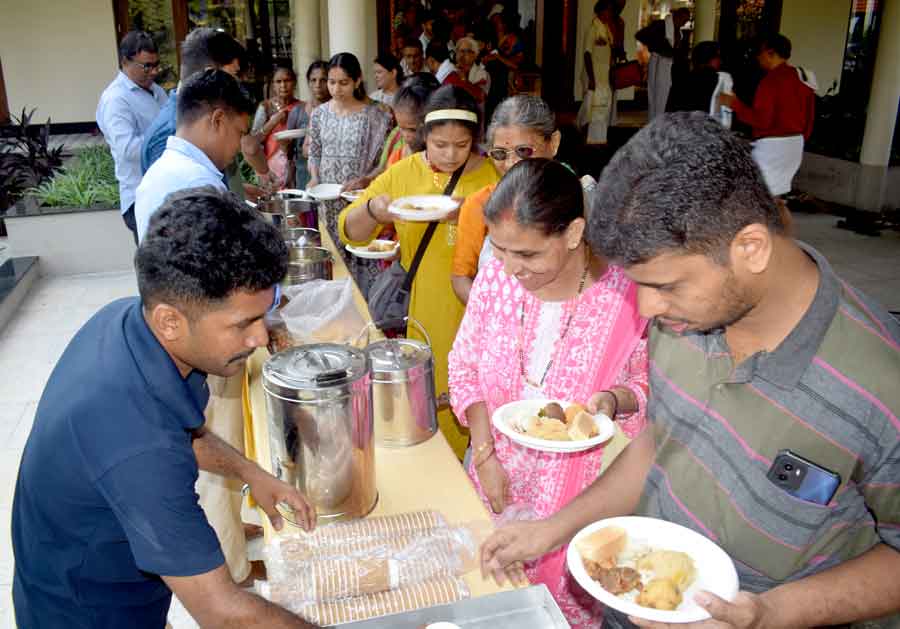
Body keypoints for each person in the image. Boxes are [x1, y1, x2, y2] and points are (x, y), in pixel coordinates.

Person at [478, 112, 900, 629]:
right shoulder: (679, 320)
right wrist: (554, 528)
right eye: (638, 284)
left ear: (750, 248)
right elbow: (662, 439)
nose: (647, 309)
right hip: (636, 602)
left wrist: (769, 613)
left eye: (666, 285)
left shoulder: (882, 383)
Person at [12, 186, 319, 628]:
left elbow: (182, 431)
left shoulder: (128, 321)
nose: (259, 338)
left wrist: (252, 474)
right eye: (243, 324)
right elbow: (224, 613)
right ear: (170, 321)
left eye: (262, 316)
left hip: (92, 572)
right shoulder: (137, 443)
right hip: (85, 614)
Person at [448, 158, 648, 628]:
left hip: (580, 503)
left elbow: (648, 387)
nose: (512, 268)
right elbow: (464, 366)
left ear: (574, 233)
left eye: (528, 254)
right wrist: (485, 454)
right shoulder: (495, 279)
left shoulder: (627, 296)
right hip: (493, 482)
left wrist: (613, 400)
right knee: (491, 606)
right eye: (500, 249)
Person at [339, 86, 500, 460]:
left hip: (480, 311)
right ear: (424, 135)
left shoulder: (493, 175)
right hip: (426, 310)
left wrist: (472, 212)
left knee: (478, 400)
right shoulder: (405, 173)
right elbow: (350, 230)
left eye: (461, 145)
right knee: (429, 404)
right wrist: (374, 212)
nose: (450, 154)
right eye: (440, 144)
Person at [451, 95, 561, 303]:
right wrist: (490, 313)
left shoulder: (576, 197)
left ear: (553, 143)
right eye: (500, 154)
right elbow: (460, 277)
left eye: (524, 151)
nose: (511, 163)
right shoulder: (480, 204)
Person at [140, 28, 270, 199]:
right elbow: (179, 205)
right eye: (234, 75)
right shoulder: (170, 132)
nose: (237, 84)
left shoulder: (203, 119)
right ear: (209, 73)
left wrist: (235, 191)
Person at [136, 69, 255, 241]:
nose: (239, 147)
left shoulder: (159, 170)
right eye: (240, 133)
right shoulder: (200, 184)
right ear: (218, 120)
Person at [307, 52, 392, 295]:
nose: (336, 89)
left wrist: (366, 180)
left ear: (357, 80)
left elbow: (385, 162)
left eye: (343, 83)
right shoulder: (319, 114)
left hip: (359, 199)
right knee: (331, 259)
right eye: (331, 82)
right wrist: (314, 177)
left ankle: (364, 304)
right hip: (326, 202)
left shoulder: (376, 116)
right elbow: (314, 152)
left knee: (361, 255)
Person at [720, 33, 816, 197]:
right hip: (795, 145)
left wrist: (735, 104)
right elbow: (810, 118)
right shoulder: (803, 77)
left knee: (749, 197)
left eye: (760, 52)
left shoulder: (771, 81)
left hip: (773, 147)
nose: (758, 57)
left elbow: (762, 120)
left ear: (771, 53)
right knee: (774, 199)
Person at [96, 30, 167, 244]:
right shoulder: (116, 99)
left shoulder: (157, 91)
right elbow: (128, 149)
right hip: (141, 199)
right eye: (147, 66)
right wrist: (169, 143)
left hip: (165, 191)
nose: (154, 72)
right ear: (125, 61)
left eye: (156, 65)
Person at [636, 4, 691, 120]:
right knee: (655, 94)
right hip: (658, 61)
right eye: (684, 20)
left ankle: (659, 121)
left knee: (664, 96)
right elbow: (640, 35)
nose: (684, 23)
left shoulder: (679, 31)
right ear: (677, 16)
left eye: (686, 21)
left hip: (669, 66)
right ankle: (654, 122)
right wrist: (658, 48)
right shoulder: (660, 24)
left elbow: (676, 51)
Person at [251, 65, 301, 189]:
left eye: (287, 80)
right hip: (271, 165)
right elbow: (253, 139)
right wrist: (273, 121)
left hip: (295, 164)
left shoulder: (301, 107)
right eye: (278, 81)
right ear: (273, 85)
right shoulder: (266, 107)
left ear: (294, 83)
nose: (283, 85)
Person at [285, 60, 331, 191]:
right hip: (303, 175)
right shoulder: (298, 111)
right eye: (313, 80)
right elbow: (289, 151)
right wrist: (290, 177)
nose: (318, 85)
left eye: (323, 80)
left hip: (329, 176)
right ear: (308, 82)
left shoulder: (337, 112)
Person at [581, 1, 619, 145]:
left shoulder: (606, 29)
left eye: (610, 10)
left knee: (604, 107)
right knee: (593, 108)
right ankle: (590, 139)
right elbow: (587, 54)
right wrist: (591, 78)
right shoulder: (593, 29)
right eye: (608, 10)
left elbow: (609, 52)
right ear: (600, 11)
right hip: (595, 75)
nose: (610, 13)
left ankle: (600, 139)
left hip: (605, 74)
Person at [666, 40, 723, 114]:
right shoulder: (720, 82)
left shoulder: (681, 81)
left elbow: (669, 112)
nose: (720, 61)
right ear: (712, 59)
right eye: (718, 57)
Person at [455, 36, 491, 101]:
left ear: (475, 55)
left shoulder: (483, 74)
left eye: (468, 51)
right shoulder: (450, 70)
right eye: (460, 51)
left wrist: (464, 80)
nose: (462, 55)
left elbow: (480, 97)